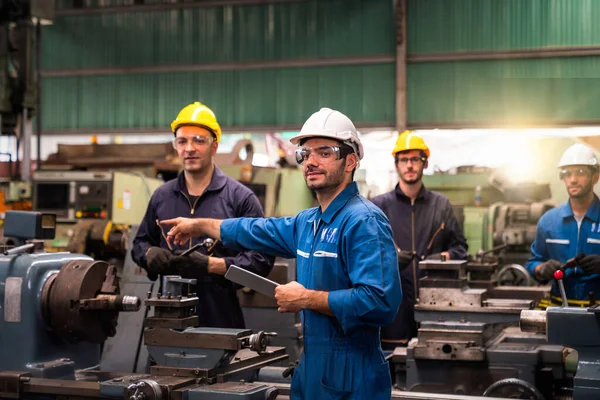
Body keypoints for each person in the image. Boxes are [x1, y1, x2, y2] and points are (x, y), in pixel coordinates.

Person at [160, 108, 402, 399]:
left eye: (324, 152)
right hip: (312, 369)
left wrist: (306, 299)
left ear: (350, 161)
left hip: (353, 376)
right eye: (305, 153)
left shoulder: (363, 221)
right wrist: (200, 225)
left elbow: (380, 302)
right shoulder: (308, 222)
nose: (310, 161)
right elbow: (256, 230)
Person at [131, 102, 274, 328]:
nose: (189, 148)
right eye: (182, 141)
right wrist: (148, 254)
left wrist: (212, 265)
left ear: (214, 146)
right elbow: (139, 243)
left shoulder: (240, 198)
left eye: (199, 140)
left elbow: (261, 259)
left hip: (220, 315)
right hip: (167, 317)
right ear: (176, 146)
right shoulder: (161, 196)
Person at [371, 130, 468, 349]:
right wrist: (389, 260)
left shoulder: (441, 205)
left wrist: (443, 258)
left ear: (424, 163)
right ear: (396, 165)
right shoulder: (378, 207)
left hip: (435, 305)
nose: (409, 165)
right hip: (392, 308)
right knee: (392, 364)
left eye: (415, 159)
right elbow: (362, 254)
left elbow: (460, 248)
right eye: (404, 160)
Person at [526, 143, 600, 307]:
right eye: (567, 174)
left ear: (595, 176)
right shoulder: (549, 221)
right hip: (559, 309)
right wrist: (541, 268)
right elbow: (533, 262)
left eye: (580, 172)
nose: (573, 179)